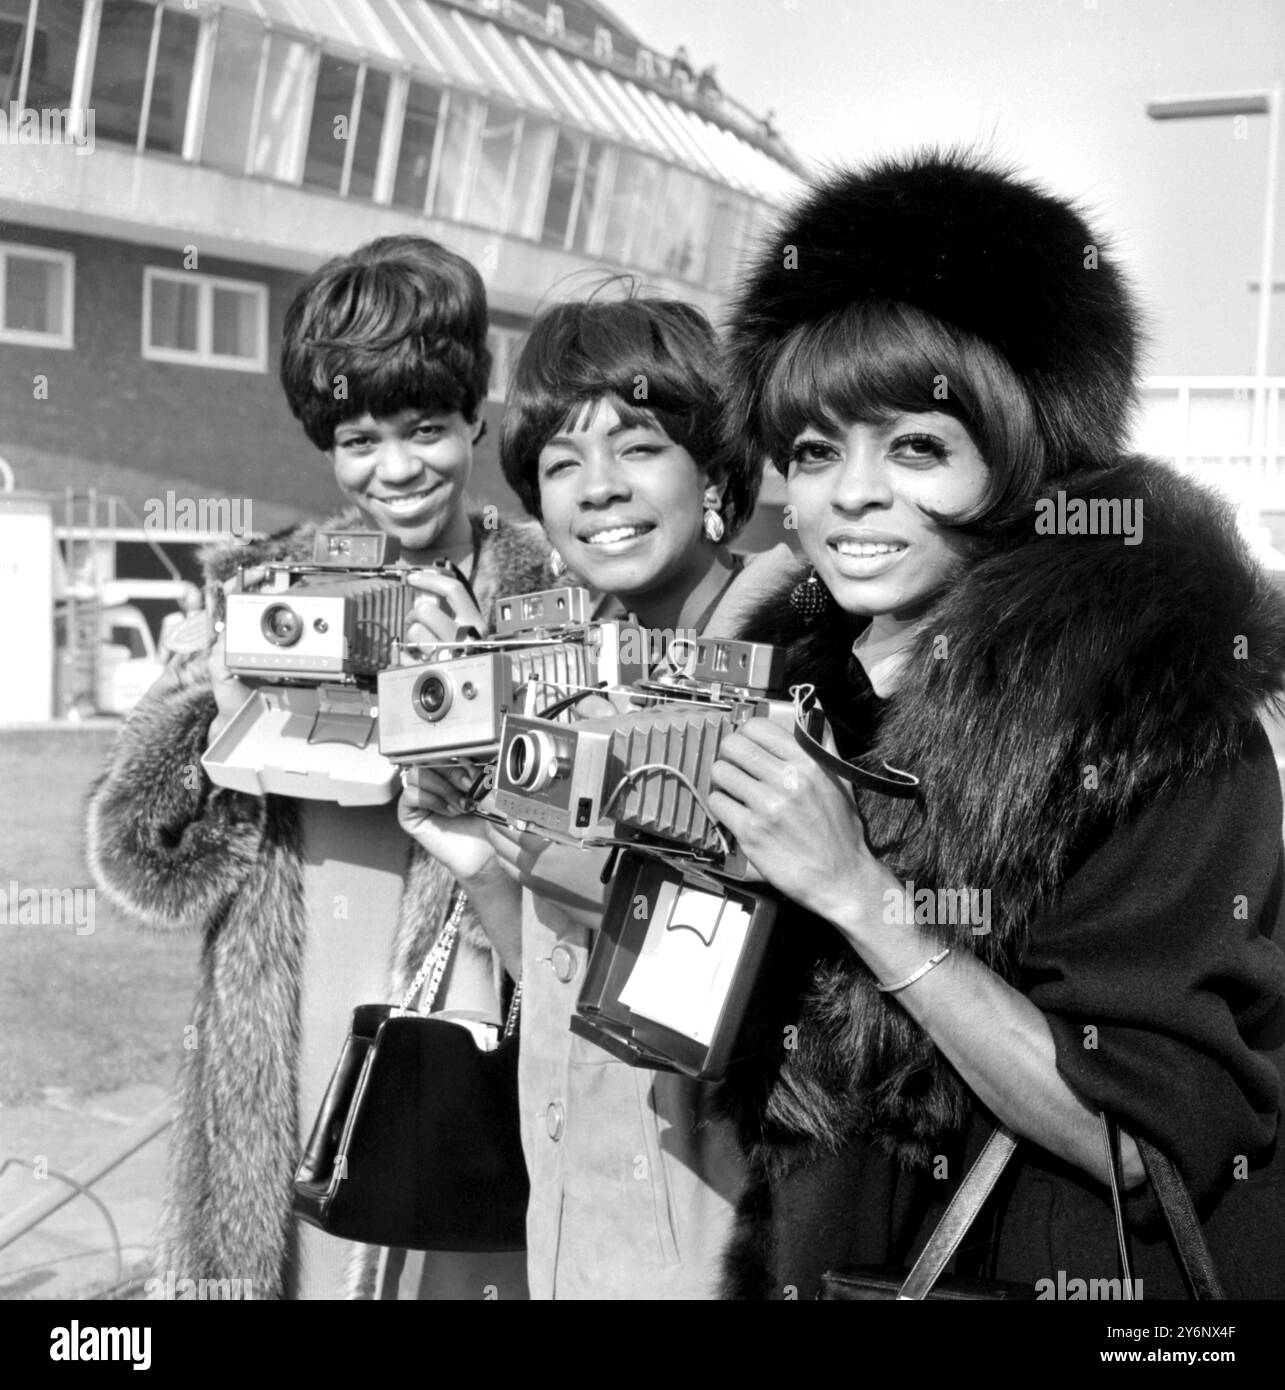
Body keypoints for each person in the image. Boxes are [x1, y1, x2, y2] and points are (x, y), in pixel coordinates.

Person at [704, 151, 1285, 1299]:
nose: (848, 497)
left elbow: (1146, 1142)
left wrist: (860, 895)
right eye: (815, 450)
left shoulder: (1159, 719)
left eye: (915, 447)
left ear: (1021, 467)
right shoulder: (808, 686)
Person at [85, 235, 553, 1300]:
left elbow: (584, 856)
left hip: (465, 1033)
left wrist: (485, 672)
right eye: (359, 438)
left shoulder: (548, 590)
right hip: (286, 1041)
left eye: (426, 430)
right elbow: (140, 857)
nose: (395, 471)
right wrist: (203, 700)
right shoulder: (264, 589)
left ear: (475, 416)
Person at [398, 292, 798, 1297]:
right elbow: (560, 979)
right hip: (576, 1216)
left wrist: (574, 871)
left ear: (713, 467)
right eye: (562, 463)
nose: (599, 490)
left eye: (638, 446)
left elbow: (775, 995)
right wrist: (477, 855)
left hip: (721, 1227)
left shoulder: (790, 666)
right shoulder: (568, 670)